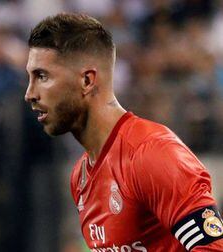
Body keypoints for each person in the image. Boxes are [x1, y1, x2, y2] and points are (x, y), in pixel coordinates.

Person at [24, 13, 223, 251]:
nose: (30, 94)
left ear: (87, 81)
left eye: (42, 76)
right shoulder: (80, 176)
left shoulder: (152, 153)